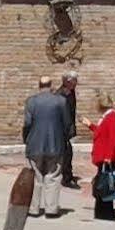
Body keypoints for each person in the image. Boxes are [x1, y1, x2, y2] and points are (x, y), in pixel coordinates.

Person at [23, 75, 71, 218]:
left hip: (35, 144)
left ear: (39, 86)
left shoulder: (31, 101)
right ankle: (51, 209)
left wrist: (26, 140)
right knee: (53, 176)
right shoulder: (61, 101)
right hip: (55, 144)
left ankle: (33, 209)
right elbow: (67, 123)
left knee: (36, 177)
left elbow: (27, 123)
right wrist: (65, 139)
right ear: (51, 86)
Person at [85, 92, 115, 221]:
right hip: (104, 155)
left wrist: (108, 157)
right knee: (103, 183)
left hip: (108, 157)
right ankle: (101, 211)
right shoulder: (106, 117)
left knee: (106, 184)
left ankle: (106, 212)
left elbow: (113, 138)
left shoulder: (112, 117)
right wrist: (90, 125)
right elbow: (101, 132)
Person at [58, 73, 81, 189]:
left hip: (66, 128)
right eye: (74, 81)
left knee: (67, 152)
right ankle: (66, 178)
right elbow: (63, 115)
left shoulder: (70, 92)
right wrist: (68, 130)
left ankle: (66, 175)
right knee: (67, 153)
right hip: (62, 129)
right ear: (68, 81)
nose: (76, 83)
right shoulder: (62, 95)